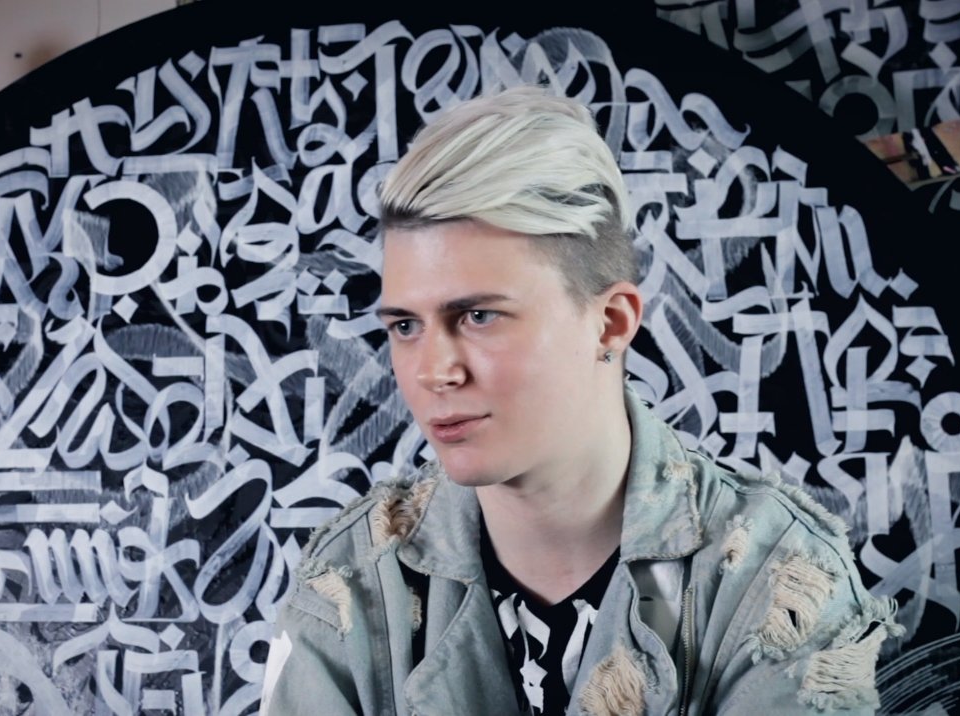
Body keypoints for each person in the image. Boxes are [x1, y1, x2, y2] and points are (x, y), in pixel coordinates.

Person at [259, 86, 899, 715]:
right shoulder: (353, 582)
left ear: (610, 323)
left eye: (479, 316)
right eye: (405, 325)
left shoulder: (774, 578)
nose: (434, 371)